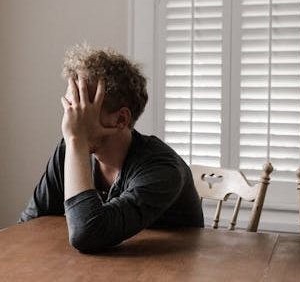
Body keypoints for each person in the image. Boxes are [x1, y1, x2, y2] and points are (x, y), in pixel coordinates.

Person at [19, 44, 204, 253]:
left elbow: (87, 234)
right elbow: (29, 225)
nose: (69, 120)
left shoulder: (163, 169)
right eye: (70, 107)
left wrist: (76, 140)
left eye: (82, 109)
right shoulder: (69, 150)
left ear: (121, 119)